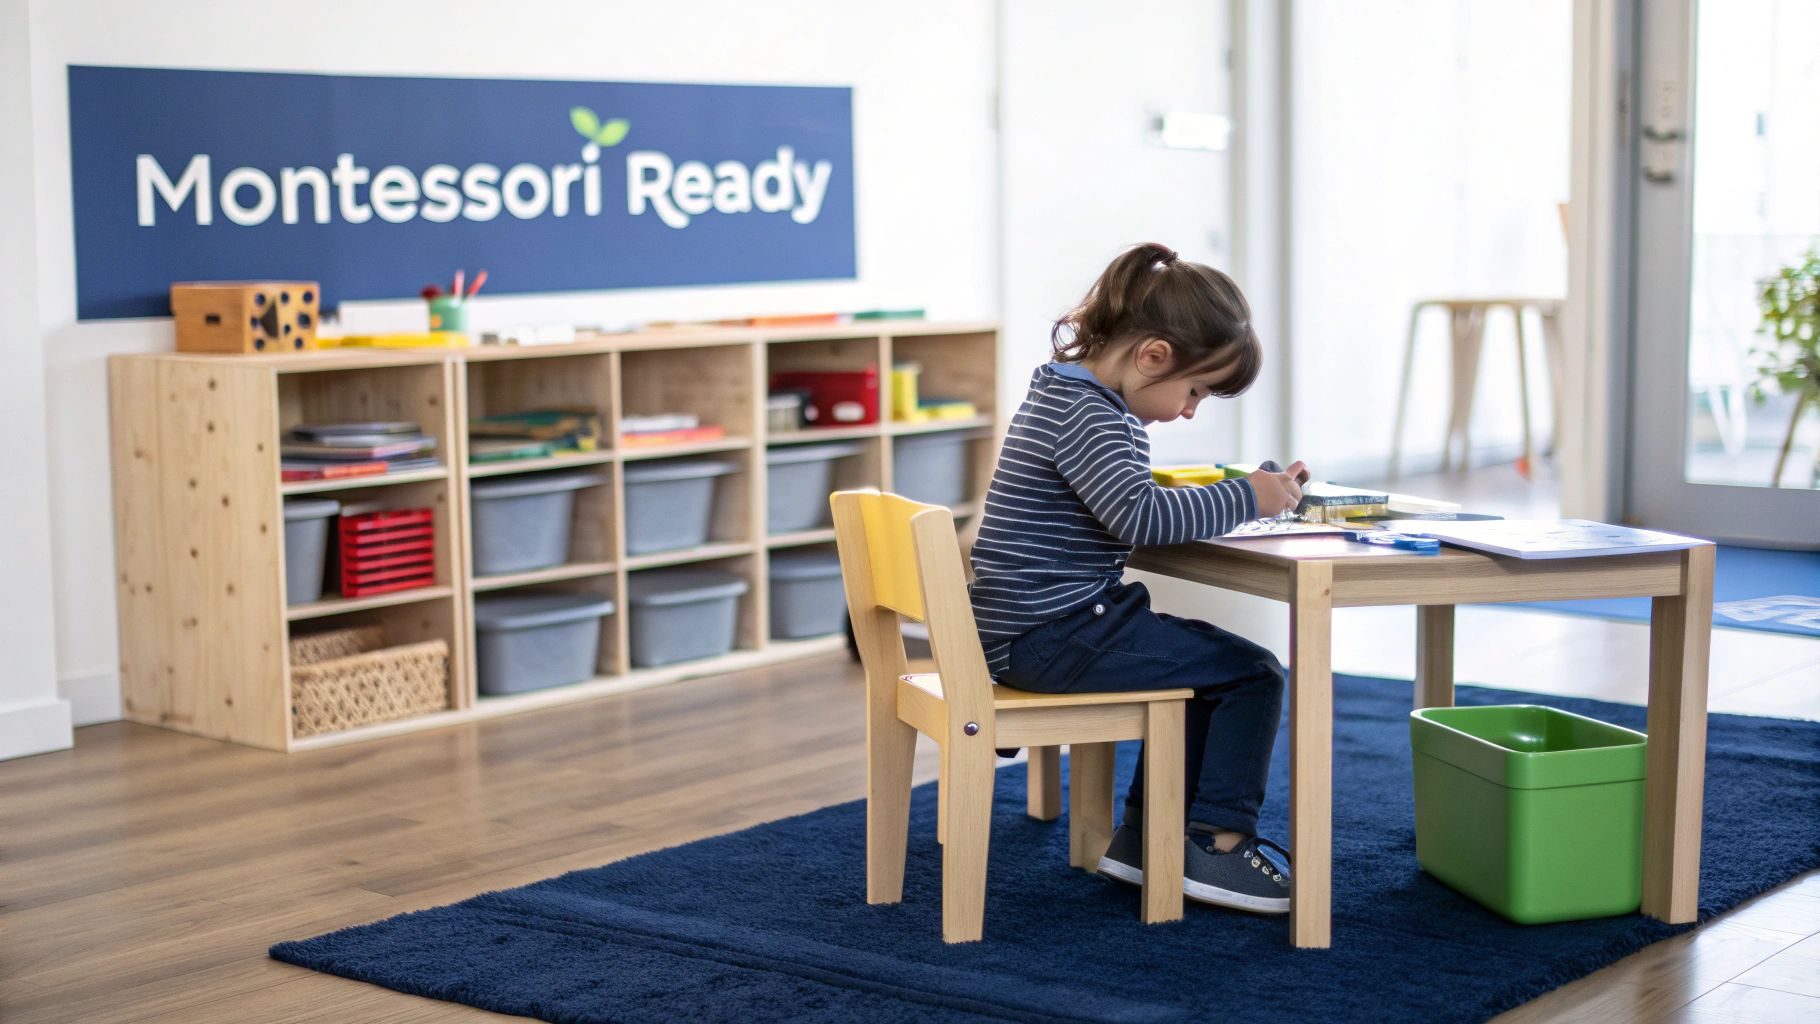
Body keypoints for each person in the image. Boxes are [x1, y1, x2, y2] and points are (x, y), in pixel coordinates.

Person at [968, 242, 1306, 913]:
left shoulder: (1066, 395)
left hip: (1041, 627)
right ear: (1153, 356)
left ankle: (1144, 839)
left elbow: (1121, 499)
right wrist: (1251, 498)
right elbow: (1139, 514)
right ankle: (1217, 842)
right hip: (1052, 635)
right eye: (1196, 391)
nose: (1189, 410)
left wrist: (1239, 490)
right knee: (1250, 674)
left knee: (1199, 666)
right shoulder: (1089, 413)